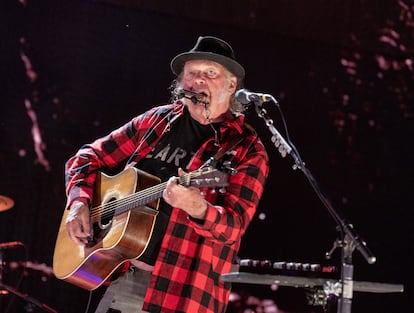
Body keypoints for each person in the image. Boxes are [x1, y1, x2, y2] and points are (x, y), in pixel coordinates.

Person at [63, 35, 269, 313]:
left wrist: (197, 207)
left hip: (184, 292)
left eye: (210, 73)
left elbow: (232, 228)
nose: (199, 81)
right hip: (123, 275)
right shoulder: (157, 120)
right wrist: (78, 202)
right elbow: (87, 157)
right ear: (181, 83)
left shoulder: (246, 148)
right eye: (192, 73)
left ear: (231, 86)